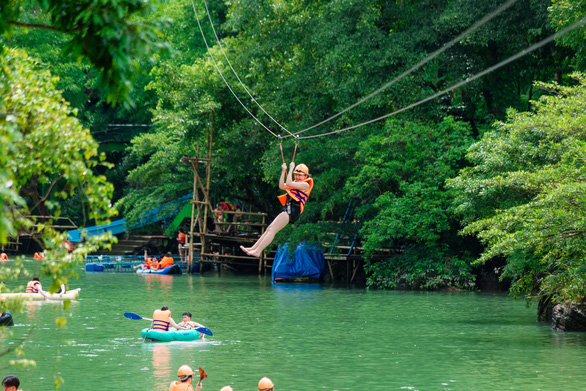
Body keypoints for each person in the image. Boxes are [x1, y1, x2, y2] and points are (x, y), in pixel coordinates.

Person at [240, 162, 313, 258]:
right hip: (288, 207)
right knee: (269, 228)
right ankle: (253, 248)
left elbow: (290, 183)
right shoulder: (296, 183)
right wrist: (283, 171)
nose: (297, 177)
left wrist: (290, 169)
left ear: (306, 176)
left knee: (272, 230)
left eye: (300, 175)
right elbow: (282, 186)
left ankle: (258, 251)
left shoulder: (305, 185)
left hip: (293, 210)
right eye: (296, 174)